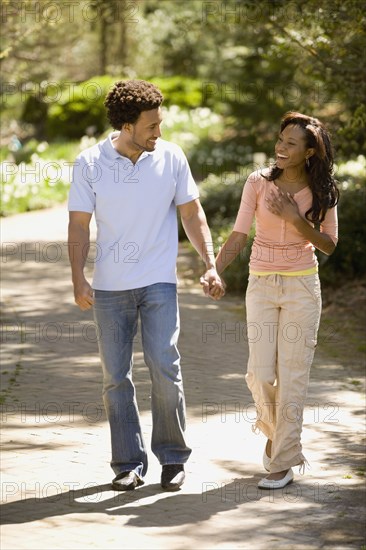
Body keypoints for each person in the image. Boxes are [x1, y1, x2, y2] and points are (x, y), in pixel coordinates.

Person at [67, 79, 224, 492]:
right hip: (110, 287)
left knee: (165, 368)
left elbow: (192, 214)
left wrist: (210, 263)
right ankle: (128, 464)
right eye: (151, 125)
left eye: (159, 124)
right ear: (126, 125)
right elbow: (79, 224)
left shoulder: (170, 157)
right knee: (115, 378)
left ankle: (173, 459)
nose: (158, 132)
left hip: (159, 281)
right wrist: (77, 277)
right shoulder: (89, 163)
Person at [209, 112, 339, 489]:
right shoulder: (258, 183)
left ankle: (283, 460)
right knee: (260, 374)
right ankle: (275, 432)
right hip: (262, 285)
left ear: (310, 151)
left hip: (301, 288)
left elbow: (329, 244)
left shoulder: (324, 191)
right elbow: (237, 237)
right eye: (280, 140)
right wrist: (215, 269)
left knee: (294, 376)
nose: (281, 148)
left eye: (291, 144)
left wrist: (297, 220)